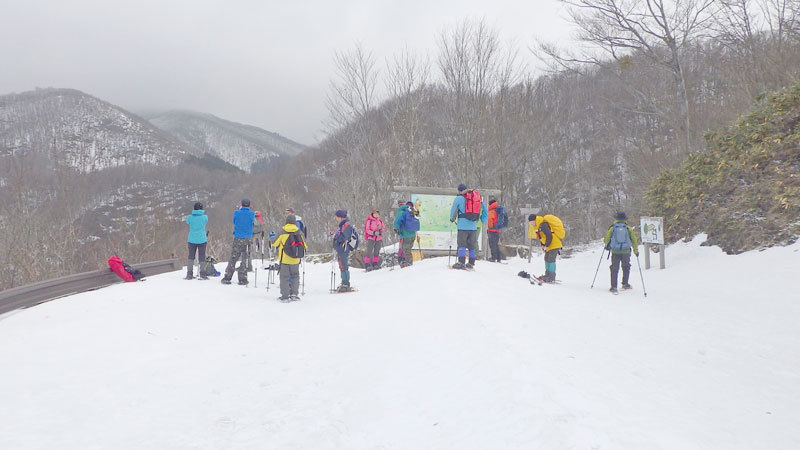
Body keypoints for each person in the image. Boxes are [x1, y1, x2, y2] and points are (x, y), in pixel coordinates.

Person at [450, 184, 488, 269]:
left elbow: (453, 210)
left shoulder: (459, 198)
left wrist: (452, 219)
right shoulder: (476, 197)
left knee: (462, 244)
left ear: (459, 191)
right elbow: (485, 210)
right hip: (473, 226)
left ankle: (461, 262)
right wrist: (482, 219)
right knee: (472, 245)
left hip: (462, 226)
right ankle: (471, 263)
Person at [272, 214, 307, 301]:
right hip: (295, 259)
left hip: (284, 259)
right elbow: (305, 246)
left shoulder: (282, 231)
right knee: (295, 276)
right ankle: (294, 294)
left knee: (284, 277)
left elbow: (275, 243)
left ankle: (285, 296)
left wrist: (271, 237)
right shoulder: (299, 232)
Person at [603, 211, 640, 293]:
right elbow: (634, 240)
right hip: (626, 251)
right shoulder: (628, 228)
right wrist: (636, 251)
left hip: (615, 251)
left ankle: (613, 287)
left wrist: (607, 245)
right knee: (626, 267)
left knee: (614, 268)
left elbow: (606, 239)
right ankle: (625, 284)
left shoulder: (613, 228)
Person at [221, 198, 255, 285]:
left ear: (241, 204)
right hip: (248, 239)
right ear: (249, 205)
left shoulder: (237, 213)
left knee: (233, 258)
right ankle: (242, 279)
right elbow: (254, 223)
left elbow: (234, 221)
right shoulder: (252, 214)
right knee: (245, 258)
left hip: (238, 238)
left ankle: (227, 277)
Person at [528, 213, 565, 282]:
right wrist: (542, 244)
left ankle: (551, 277)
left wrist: (546, 245)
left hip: (554, 244)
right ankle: (547, 275)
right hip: (549, 245)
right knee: (546, 258)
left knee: (551, 259)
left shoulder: (543, 225)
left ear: (535, 220)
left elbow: (549, 236)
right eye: (530, 223)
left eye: (532, 222)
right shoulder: (537, 227)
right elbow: (541, 237)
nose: (531, 224)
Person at [184, 202, 209, 280]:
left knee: (191, 256)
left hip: (191, 239)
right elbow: (205, 222)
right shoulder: (205, 217)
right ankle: (203, 273)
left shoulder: (189, 217)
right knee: (202, 256)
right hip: (202, 239)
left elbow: (187, 222)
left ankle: (189, 273)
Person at [333, 209, 355, 292]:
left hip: (343, 248)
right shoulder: (342, 225)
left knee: (343, 264)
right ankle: (344, 282)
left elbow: (344, 237)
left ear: (341, 217)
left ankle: (346, 283)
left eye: (337, 217)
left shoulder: (346, 225)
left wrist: (337, 238)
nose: (336, 219)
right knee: (341, 264)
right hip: (341, 248)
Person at [393, 201, 420, 268]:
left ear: (399, 206)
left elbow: (397, 222)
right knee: (408, 249)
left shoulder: (401, 211)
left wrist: (395, 228)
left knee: (406, 250)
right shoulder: (412, 210)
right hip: (413, 234)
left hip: (405, 234)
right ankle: (407, 263)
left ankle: (408, 265)